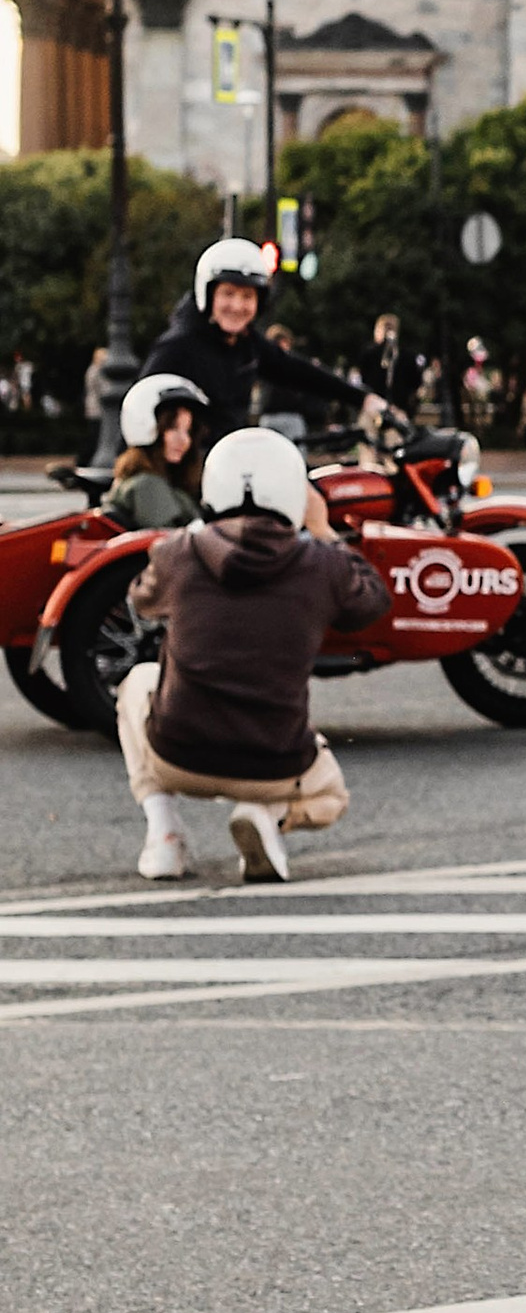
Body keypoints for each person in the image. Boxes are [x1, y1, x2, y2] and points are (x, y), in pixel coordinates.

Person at [119, 427, 388, 885]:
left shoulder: (178, 553)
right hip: (275, 765)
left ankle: (164, 835)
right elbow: (373, 603)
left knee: (137, 683)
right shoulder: (322, 564)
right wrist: (323, 531)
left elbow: (139, 601)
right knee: (332, 797)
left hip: (178, 755)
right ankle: (268, 816)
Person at [139, 239, 375, 450]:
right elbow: (140, 406)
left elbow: (297, 371)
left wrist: (363, 399)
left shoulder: (247, 343)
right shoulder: (178, 347)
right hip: (186, 469)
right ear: (207, 295)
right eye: (228, 294)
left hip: (231, 461)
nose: (237, 306)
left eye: (247, 297)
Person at [102, 376, 207, 529]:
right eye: (172, 427)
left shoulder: (160, 480)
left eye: (189, 431)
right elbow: (172, 543)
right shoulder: (147, 484)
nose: (184, 440)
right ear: (147, 425)